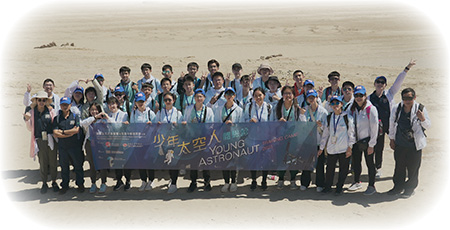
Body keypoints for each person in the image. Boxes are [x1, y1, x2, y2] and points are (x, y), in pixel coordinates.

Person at [369, 60, 416, 178]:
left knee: (399, 146)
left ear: (385, 85)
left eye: (382, 82)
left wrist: (407, 68)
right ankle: (378, 168)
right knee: (378, 147)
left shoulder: (389, 94)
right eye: (378, 82)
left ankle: (402, 168)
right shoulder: (369, 98)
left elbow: (398, 82)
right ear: (374, 84)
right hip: (377, 127)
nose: (380, 84)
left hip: (391, 125)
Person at [387, 88, 430, 197]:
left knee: (413, 168)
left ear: (414, 98)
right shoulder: (397, 108)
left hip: (414, 145)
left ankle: (410, 189)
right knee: (399, 167)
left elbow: (428, 125)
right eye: (404, 98)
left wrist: (423, 119)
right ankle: (398, 187)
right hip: (400, 144)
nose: (407, 101)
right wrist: (391, 139)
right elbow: (391, 124)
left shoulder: (420, 108)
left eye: (410, 98)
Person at [318, 96, 356, 195]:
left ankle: (339, 187)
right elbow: (326, 134)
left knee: (343, 169)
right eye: (333, 103)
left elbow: (351, 133)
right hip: (332, 148)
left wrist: (350, 147)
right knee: (329, 168)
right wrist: (321, 148)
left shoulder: (347, 117)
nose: (335, 105)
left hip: (344, 148)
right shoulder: (329, 117)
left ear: (341, 104)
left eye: (337, 103)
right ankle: (328, 186)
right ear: (330, 105)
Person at [23, 91, 59, 194]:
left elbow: (55, 125)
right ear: (36, 101)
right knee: (43, 162)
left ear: (47, 101)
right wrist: (27, 120)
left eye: (44, 100)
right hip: (39, 141)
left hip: (51, 140)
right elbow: (30, 128)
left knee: (53, 162)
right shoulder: (32, 112)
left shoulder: (51, 111)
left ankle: (54, 181)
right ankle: (44, 183)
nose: (41, 102)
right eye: (39, 100)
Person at [347, 85, 379, 195]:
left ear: (365, 96)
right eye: (356, 95)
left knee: (370, 163)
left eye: (361, 95)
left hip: (368, 141)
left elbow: (375, 128)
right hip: (356, 140)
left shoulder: (371, 109)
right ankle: (356, 181)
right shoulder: (352, 108)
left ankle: (371, 185)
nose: (358, 98)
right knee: (356, 162)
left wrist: (372, 145)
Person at [182, 89, 214, 193]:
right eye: (197, 97)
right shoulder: (189, 109)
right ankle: (193, 182)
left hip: (204, 139)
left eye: (201, 96)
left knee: (205, 162)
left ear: (204, 98)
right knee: (193, 162)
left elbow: (211, 125)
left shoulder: (208, 110)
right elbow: (185, 120)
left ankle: (207, 182)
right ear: (194, 98)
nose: (199, 99)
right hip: (192, 139)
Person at [52, 96, 85, 194]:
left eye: (67, 104)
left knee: (78, 166)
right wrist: (68, 133)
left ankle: (80, 184)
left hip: (75, 146)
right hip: (63, 147)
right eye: (63, 105)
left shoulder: (75, 116)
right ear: (60, 106)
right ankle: (65, 185)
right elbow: (55, 133)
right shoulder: (57, 118)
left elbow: (76, 130)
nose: (65, 106)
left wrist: (62, 132)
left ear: (70, 105)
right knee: (64, 167)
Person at [213, 87, 243, 192]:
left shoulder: (239, 110)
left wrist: (233, 125)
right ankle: (226, 182)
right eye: (227, 94)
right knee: (224, 161)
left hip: (234, 138)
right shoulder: (219, 109)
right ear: (225, 96)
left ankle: (234, 182)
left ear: (234, 96)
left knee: (234, 161)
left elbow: (242, 125)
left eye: (231, 94)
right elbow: (216, 123)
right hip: (223, 139)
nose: (229, 96)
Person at [272, 86, 302, 190]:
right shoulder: (277, 107)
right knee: (281, 158)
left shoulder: (297, 108)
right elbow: (271, 122)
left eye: (290, 93)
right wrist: (278, 123)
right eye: (285, 93)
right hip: (281, 137)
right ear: (282, 95)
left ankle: (292, 180)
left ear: (293, 95)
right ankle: (280, 179)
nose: (288, 95)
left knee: (293, 158)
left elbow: (302, 123)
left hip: (294, 137)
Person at [299, 89, 328, 192]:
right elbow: (302, 127)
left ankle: (320, 184)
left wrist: (322, 126)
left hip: (318, 141)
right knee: (306, 164)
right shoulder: (305, 110)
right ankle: (305, 183)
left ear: (317, 98)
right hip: (308, 141)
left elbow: (326, 130)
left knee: (320, 165)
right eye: (309, 97)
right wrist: (302, 115)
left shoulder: (323, 112)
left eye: (313, 97)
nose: (311, 99)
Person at [244, 87, 273, 191]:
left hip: (265, 138)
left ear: (264, 96)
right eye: (256, 96)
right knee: (253, 160)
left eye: (260, 95)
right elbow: (244, 120)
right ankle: (253, 180)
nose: (258, 97)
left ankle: (264, 180)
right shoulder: (249, 106)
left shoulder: (269, 107)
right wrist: (249, 121)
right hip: (253, 138)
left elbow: (272, 122)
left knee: (265, 160)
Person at [155, 92, 183, 194]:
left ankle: (174, 183)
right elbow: (155, 125)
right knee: (168, 162)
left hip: (174, 141)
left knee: (173, 162)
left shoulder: (178, 113)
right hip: (164, 141)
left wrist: (177, 126)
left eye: (169, 100)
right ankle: (172, 179)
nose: (167, 102)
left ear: (173, 101)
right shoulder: (160, 113)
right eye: (165, 100)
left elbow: (182, 127)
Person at [130, 92, 157, 192]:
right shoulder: (133, 113)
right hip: (138, 142)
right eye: (138, 102)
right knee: (140, 162)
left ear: (145, 101)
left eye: (142, 101)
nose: (140, 103)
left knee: (149, 161)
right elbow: (132, 126)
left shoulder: (150, 113)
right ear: (135, 103)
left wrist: (151, 125)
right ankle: (143, 181)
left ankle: (151, 180)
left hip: (149, 142)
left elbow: (156, 127)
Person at [80, 103, 109, 194]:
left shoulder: (103, 120)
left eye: (96, 110)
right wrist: (94, 117)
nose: (94, 111)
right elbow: (82, 124)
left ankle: (103, 183)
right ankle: (93, 183)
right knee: (92, 165)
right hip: (89, 143)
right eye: (92, 110)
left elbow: (111, 125)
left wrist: (105, 117)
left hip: (100, 144)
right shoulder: (89, 120)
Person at [106, 96, 131, 191]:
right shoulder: (108, 115)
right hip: (112, 142)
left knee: (125, 163)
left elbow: (118, 127)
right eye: (110, 104)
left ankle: (128, 181)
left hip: (123, 142)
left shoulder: (123, 114)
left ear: (117, 104)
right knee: (116, 163)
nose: (112, 105)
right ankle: (119, 180)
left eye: (113, 103)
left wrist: (108, 119)